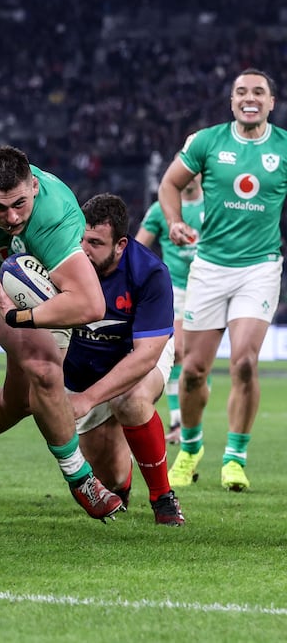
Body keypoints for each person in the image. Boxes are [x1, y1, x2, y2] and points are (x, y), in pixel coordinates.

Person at [0, 145, 126, 523]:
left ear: (34, 186)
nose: (12, 217)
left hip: (46, 293)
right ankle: (80, 478)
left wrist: (21, 317)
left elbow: (91, 306)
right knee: (44, 368)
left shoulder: (55, 220)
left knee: (19, 400)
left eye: (20, 203)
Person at [158, 68, 287, 492]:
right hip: (210, 266)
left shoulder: (283, 149)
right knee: (193, 370)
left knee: (245, 363)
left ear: (271, 102)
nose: (250, 98)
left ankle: (235, 457)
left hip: (260, 267)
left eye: (259, 92)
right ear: (232, 102)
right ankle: (190, 449)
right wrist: (174, 222)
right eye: (241, 92)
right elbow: (169, 184)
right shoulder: (207, 142)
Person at [60, 193, 184, 526]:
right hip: (84, 368)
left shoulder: (149, 273)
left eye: (96, 243)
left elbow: (147, 355)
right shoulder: (64, 261)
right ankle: (124, 478)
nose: (85, 249)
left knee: (130, 399)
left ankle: (163, 498)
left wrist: (89, 399)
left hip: (136, 356)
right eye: (82, 240)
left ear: (121, 244)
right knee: (110, 479)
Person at [135, 174, 204, 444]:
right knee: (179, 350)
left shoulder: (212, 205)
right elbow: (139, 249)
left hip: (207, 286)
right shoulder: (160, 209)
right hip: (175, 289)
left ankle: (189, 423)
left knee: (197, 360)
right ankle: (177, 421)